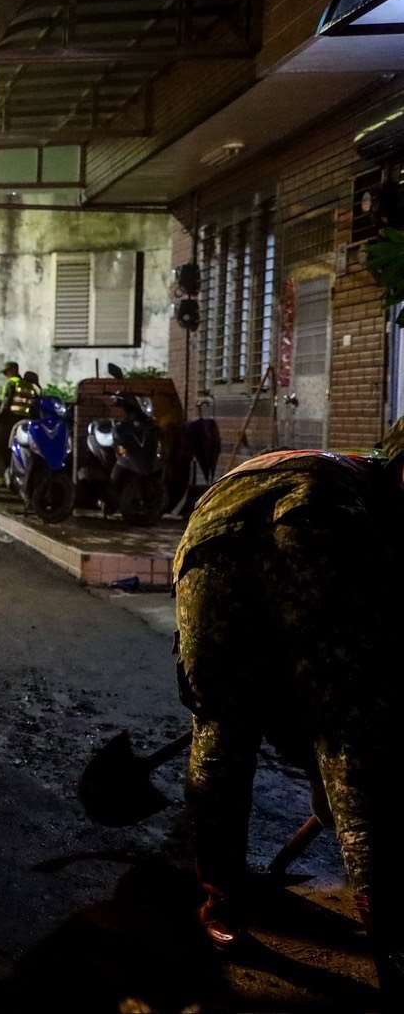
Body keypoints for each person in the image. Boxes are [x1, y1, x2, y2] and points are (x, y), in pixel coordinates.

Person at [173, 423, 404, 1001]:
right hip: (301, 533)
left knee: (220, 730)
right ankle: (392, 944)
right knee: (350, 738)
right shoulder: (362, 500)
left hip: (206, 548)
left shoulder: (334, 466)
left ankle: (219, 902)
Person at [0, 361, 37, 469]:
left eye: (6, 372)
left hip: (11, 419)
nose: (6, 375)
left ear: (13, 370)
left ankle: (8, 470)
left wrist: (0, 416)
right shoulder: (29, 385)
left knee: (6, 446)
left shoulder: (11, 383)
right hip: (26, 420)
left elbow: (6, 401)